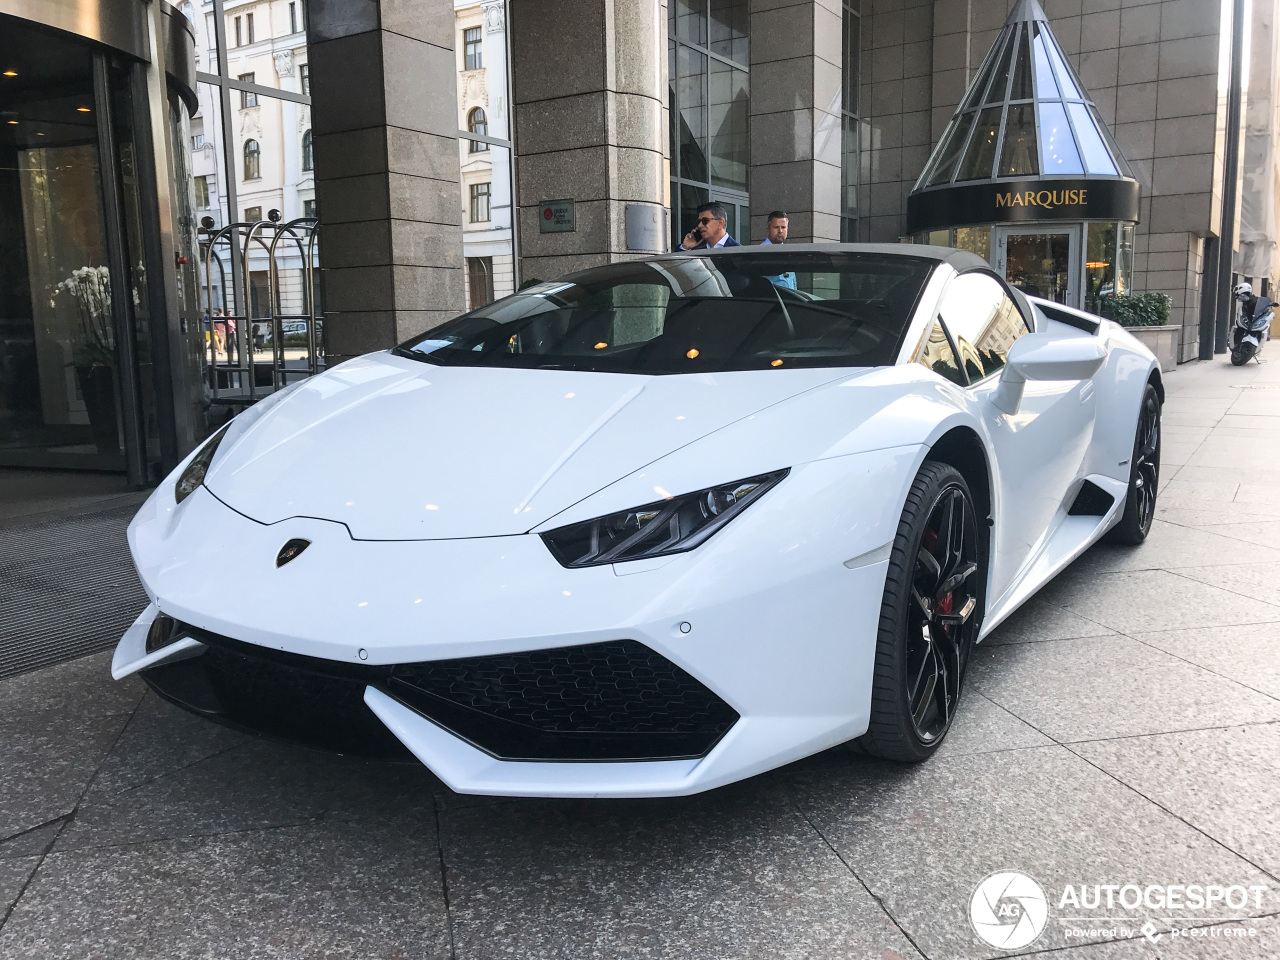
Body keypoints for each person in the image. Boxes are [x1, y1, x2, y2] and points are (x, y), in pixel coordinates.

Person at [759, 210, 797, 289]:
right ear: (768, 230)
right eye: (776, 227)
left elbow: (793, 285)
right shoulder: (759, 253)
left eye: (783, 227)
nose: (780, 231)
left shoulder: (789, 253)